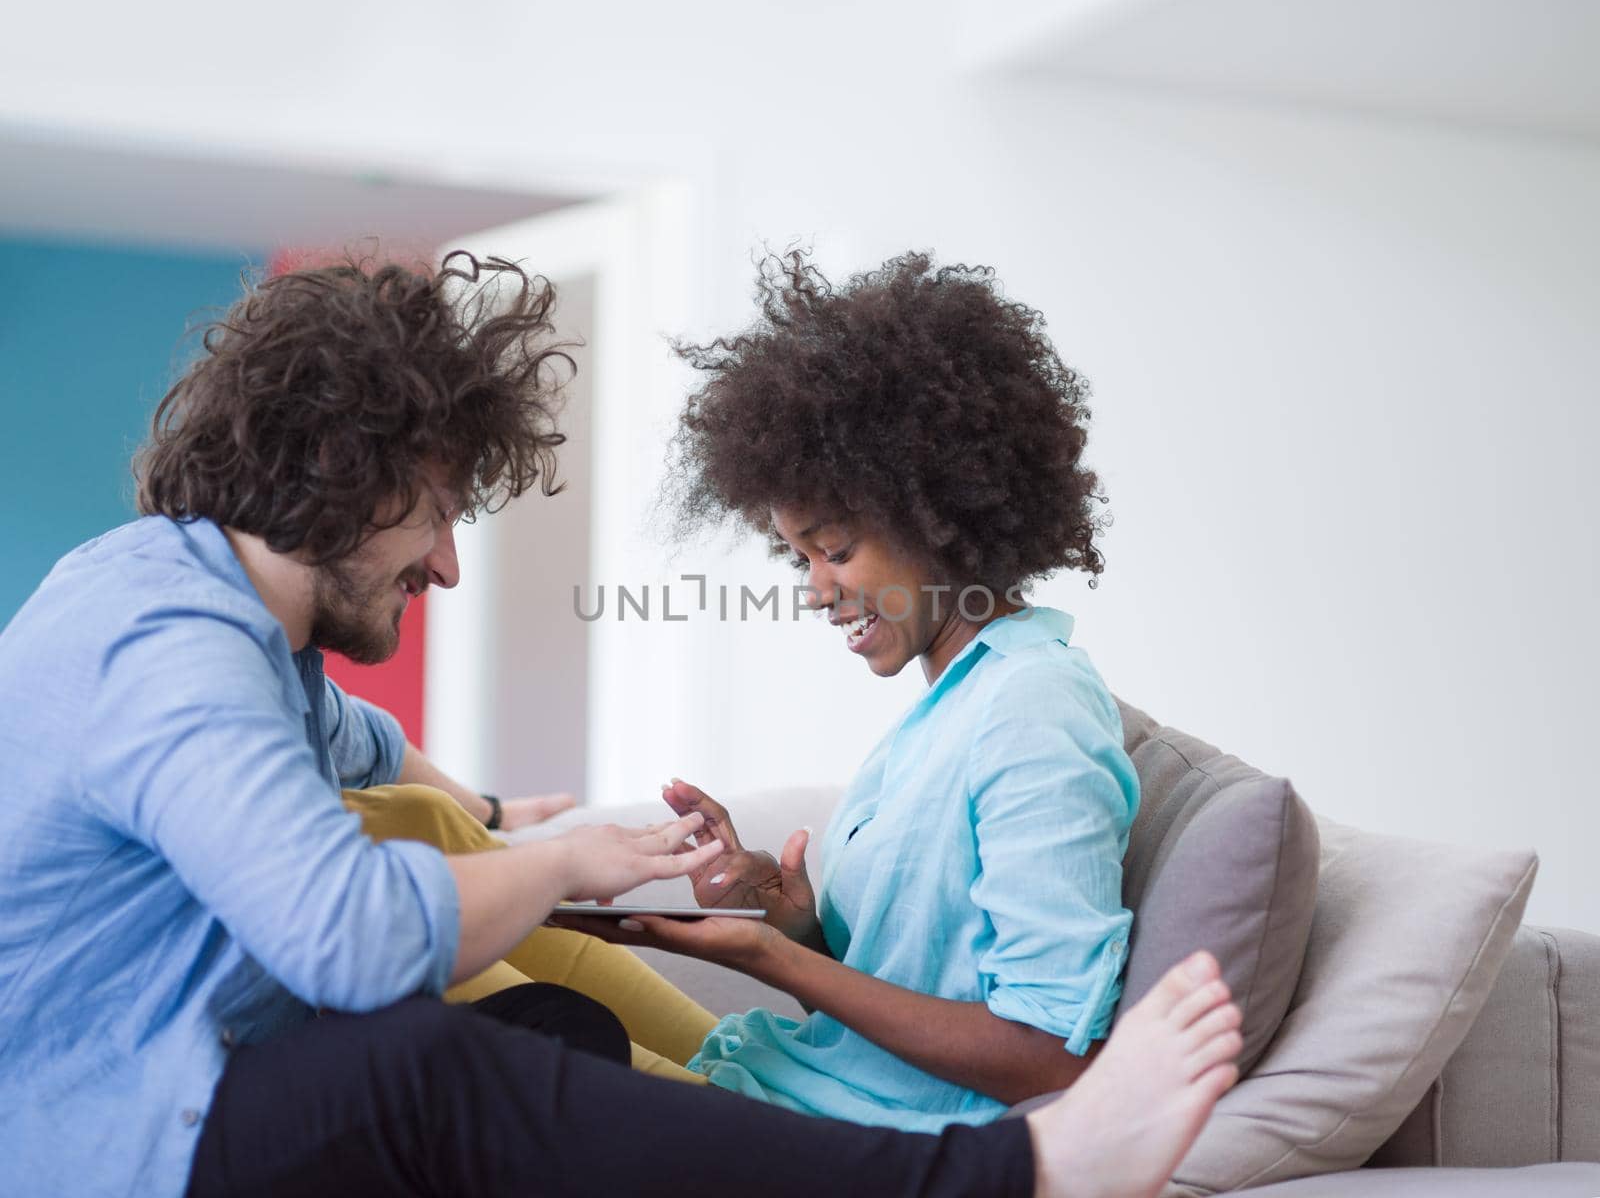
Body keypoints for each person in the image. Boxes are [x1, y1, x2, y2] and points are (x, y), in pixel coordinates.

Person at [0, 250, 1241, 1198]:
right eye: (436, 511)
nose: (444, 563)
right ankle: (1014, 1181)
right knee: (418, 1063)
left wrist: (505, 821)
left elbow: (355, 745)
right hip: (98, 1127)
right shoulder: (170, 649)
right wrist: (556, 864)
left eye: (833, 546)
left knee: (540, 1020)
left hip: (157, 1076)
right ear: (345, 473)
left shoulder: (219, 625)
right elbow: (347, 938)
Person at [554, 250, 1164, 1132]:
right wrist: (793, 920)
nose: (811, 589)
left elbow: (1050, 1060)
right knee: (526, 969)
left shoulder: (1034, 708)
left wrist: (777, 960)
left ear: (941, 519)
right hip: (816, 1089)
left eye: (835, 551)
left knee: (498, 1042)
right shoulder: (957, 700)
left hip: (882, 1141)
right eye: (798, 557)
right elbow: (914, 986)